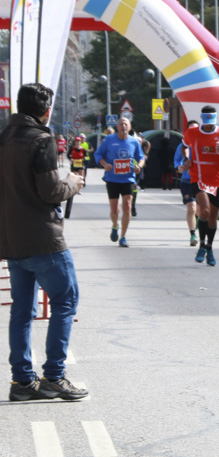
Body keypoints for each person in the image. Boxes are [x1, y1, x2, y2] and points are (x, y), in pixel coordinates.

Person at [0, 83, 88, 401]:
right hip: (43, 238)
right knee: (65, 301)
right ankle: (54, 376)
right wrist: (72, 183)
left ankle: (22, 382)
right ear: (45, 109)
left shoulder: (4, 137)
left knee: (21, 311)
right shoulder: (42, 139)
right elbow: (51, 191)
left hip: (12, 240)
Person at [182, 105, 219, 266]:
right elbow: (184, 146)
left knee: (212, 217)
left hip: (217, 181)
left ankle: (209, 248)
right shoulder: (193, 132)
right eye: (207, 122)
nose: (209, 125)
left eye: (212, 122)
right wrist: (187, 159)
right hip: (198, 177)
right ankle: (202, 245)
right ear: (202, 119)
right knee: (204, 210)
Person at [93, 116, 144, 248]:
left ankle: (123, 236)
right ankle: (115, 225)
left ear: (130, 127)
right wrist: (105, 164)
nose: (124, 126)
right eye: (121, 124)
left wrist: (139, 166)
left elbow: (141, 157)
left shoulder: (134, 142)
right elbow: (98, 155)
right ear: (118, 127)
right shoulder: (109, 140)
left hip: (128, 178)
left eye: (126, 124)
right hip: (112, 179)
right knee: (115, 210)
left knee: (127, 205)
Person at [175, 121, 200, 246]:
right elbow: (177, 162)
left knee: (201, 211)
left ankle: (198, 222)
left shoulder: (203, 145)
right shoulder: (182, 146)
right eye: (190, 130)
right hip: (187, 181)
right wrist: (180, 167)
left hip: (202, 181)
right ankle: (193, 235)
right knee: (191, 207)